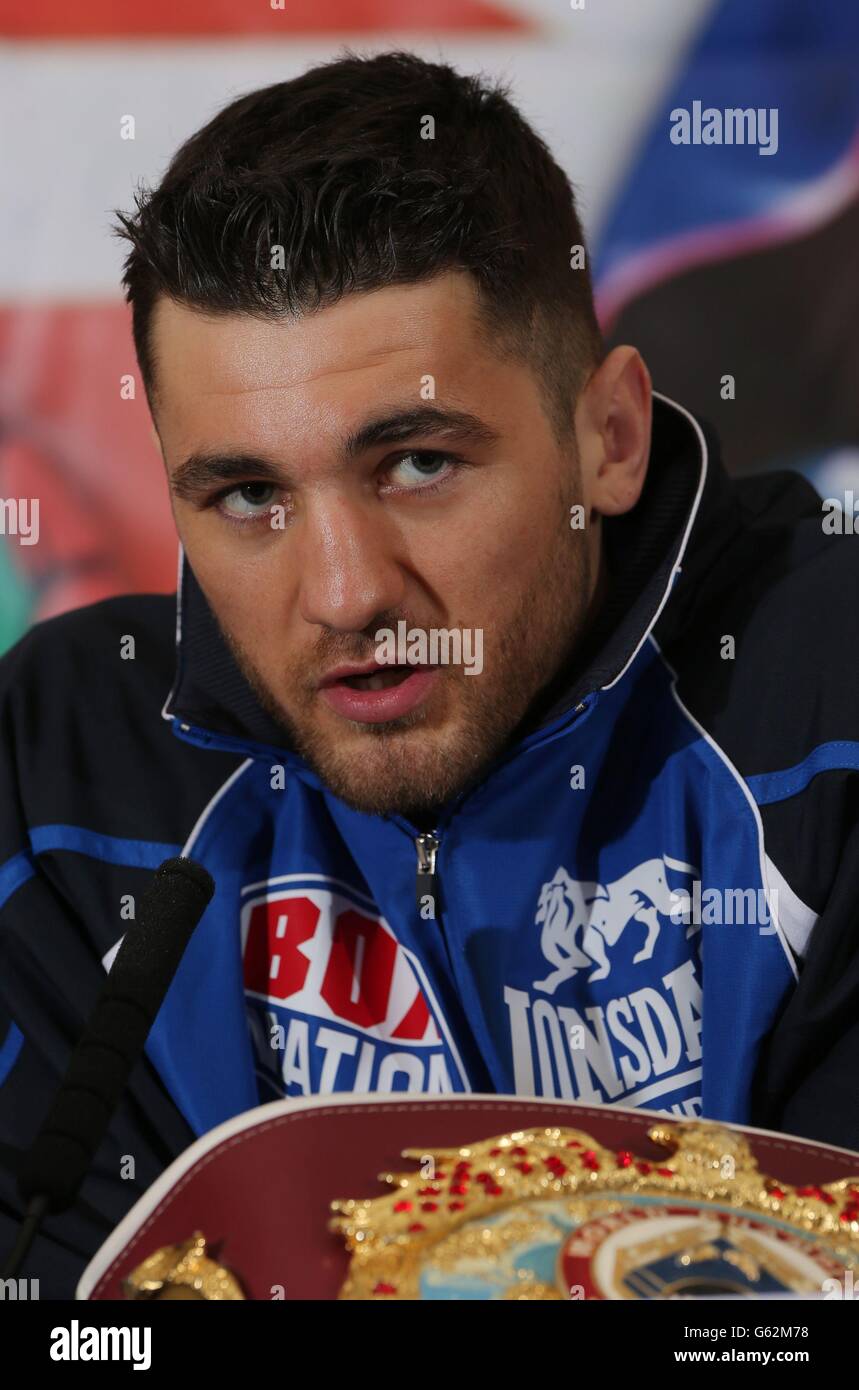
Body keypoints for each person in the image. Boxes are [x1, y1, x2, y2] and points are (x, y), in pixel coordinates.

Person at [1, 49, 857, 1299]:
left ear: (606, 437)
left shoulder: (830, 711)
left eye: (415, 465)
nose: (346, 593)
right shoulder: (66, 770)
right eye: (248, 495)